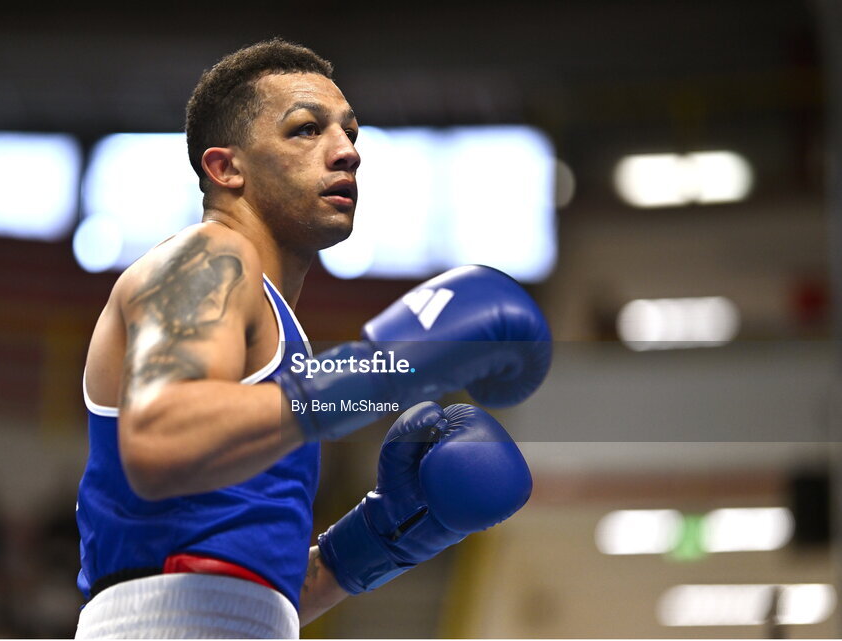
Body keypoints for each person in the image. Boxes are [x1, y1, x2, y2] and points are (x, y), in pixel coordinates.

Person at [74, 38, 551, 639]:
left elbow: (250, 595)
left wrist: (378, 539)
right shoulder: (205, 259)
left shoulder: (274, 336)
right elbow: (160, 440)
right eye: (305, 129)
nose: (346, 152)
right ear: (225, 168)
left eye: (351, 133)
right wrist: (378, 373)